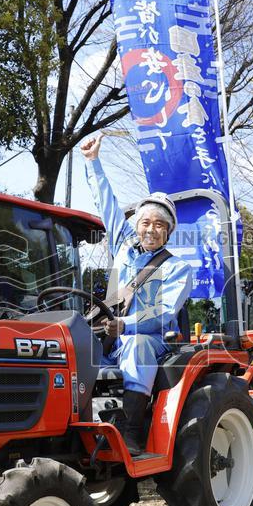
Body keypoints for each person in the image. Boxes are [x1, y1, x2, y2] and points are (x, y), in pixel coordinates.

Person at [81, 133, 193, 455]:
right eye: (145, 222)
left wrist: (125, 326)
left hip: (150, 341)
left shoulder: (176, 268)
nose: (150, 229)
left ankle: (129, 429)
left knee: (136, 344)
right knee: (72, 350)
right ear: (137, 224)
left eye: (160, 224)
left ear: (168, 232)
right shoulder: (123, 247)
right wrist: (93, 162)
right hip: (107, 335)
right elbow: (108, 205)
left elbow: (164, 314)